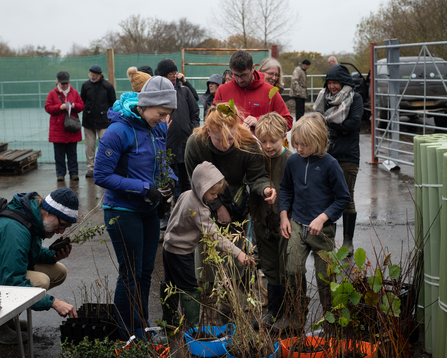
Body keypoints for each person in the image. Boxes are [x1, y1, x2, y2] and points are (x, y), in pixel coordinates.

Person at [94, 76, 178, 340]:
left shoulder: (158, 129)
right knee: (129, 274)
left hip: (149, 211)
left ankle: (139, 327)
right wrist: (143, 187)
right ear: (146, 104)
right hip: (122, 211)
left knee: (144, 271)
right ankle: (125, 333)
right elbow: (101, 176)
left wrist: (169, 184)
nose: (164, 120)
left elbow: (162, 164)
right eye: (160, 113)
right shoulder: (118, 131)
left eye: (168, 115)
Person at [184, 104, 277, 320]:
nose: (226, 145)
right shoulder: (196, 144)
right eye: (219, 140)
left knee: (235, 258)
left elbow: (257, 176)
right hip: (205, 206)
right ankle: (206, 307)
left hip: (237, 206)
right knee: (207, 257)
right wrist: (217, 207)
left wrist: (265, 188)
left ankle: (229, 309)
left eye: (231, 138)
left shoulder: (247, 144)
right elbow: (196, 184)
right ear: (208, 131)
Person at [160, 161, 251, 332]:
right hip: (181, 252)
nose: (216, 197)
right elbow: (215, 237)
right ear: (201, 187)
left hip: (169, 247)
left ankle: (169, 322)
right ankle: (192, 329)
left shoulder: (186, 193)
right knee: (190, 289)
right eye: (213, 193)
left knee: (170, 283)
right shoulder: (200, 210)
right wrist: (238, 252)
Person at [279, 113, 350, 328]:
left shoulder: (331, 165)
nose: (299, 149)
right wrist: (284, 215)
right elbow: (286, 189)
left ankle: (331, 320)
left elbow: (343, 198)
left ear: (318, 140)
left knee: (325, 278)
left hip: (322, 230)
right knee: (292, 270)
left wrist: (323, 217)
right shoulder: (293, 161)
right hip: (297, 224)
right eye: (296, 143)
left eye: (304, 144)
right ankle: (298, 313)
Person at [0, 188, 79, 345]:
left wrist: (53, 256)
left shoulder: (32, 217)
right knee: (40, 282)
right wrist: (53, 302)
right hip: (6, 276)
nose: (62, 231)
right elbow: (12, 282)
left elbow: (26, 252)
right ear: (49, 212)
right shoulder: (15, 230)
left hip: (5, 269)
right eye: (62, 224)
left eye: (66, 227)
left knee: (58, 271)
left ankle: (7, 319)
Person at [313, 65, 363, 257]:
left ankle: (348, 241)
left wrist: (330, 127)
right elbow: (318, 123)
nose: (332, 86)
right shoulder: (323, 98)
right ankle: (325, 240)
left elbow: (353, 124)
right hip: (326, 154)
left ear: (344, 82)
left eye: (336, 82)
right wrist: (338, 127)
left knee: (346, 198)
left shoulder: (355, 98)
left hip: (348, 156)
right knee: (326, 196)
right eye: (330, 82)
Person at [250, 112, 293, 330]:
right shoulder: (257, 158)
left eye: (273, 141)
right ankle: (273, 311)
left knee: (287, 265)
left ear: (284, 136)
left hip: (286, 223)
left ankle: (291, 312)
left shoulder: (291, 160)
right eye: (263, 141)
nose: (268, 146)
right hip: (263, 222)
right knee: (269, 266)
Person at [214, 50, 293, 131]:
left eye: (244, 75)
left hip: (261, 143)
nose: (240, 80)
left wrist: (260, 121)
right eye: (236, 75)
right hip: (229, 143)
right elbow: (212, 121)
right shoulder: (222, 90)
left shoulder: (270, 91)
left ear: (252, 68)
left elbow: (288, 122)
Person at [156, 58, 200, 204]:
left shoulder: (184, 91)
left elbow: (195, 113)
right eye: (170, 73)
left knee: (186, 183)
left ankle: (187, 213)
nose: (174, 76)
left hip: (184, 144)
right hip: (166, 145)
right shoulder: (157, 94)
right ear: (162, 76)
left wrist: (192, 131)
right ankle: (166, 214)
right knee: (166, 183)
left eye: (175, 73)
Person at [45, 71, 84, 182]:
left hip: (72, 128)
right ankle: (60, 174)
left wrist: (74, 105)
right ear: (57, 82)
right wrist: (60, 107)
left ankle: (74, 173)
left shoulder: (74, 93)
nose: (65, 85)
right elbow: (48, 108)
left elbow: (81, 106)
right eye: (62, 83)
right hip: (58, 129)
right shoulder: (52, 94)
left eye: (66, 83)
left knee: (72, 153)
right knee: (59, 154)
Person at [80, 64, 116, 178]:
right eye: (90, 74)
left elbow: (112, 103)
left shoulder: (107, 86)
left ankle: (104, 167)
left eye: (94, 75)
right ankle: (90, 168)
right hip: (88, 120)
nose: (92, 76)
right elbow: (82, 101)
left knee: (105, 144)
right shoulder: (85, 85)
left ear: (100, 75)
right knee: (89, 146)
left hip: (104, 121)